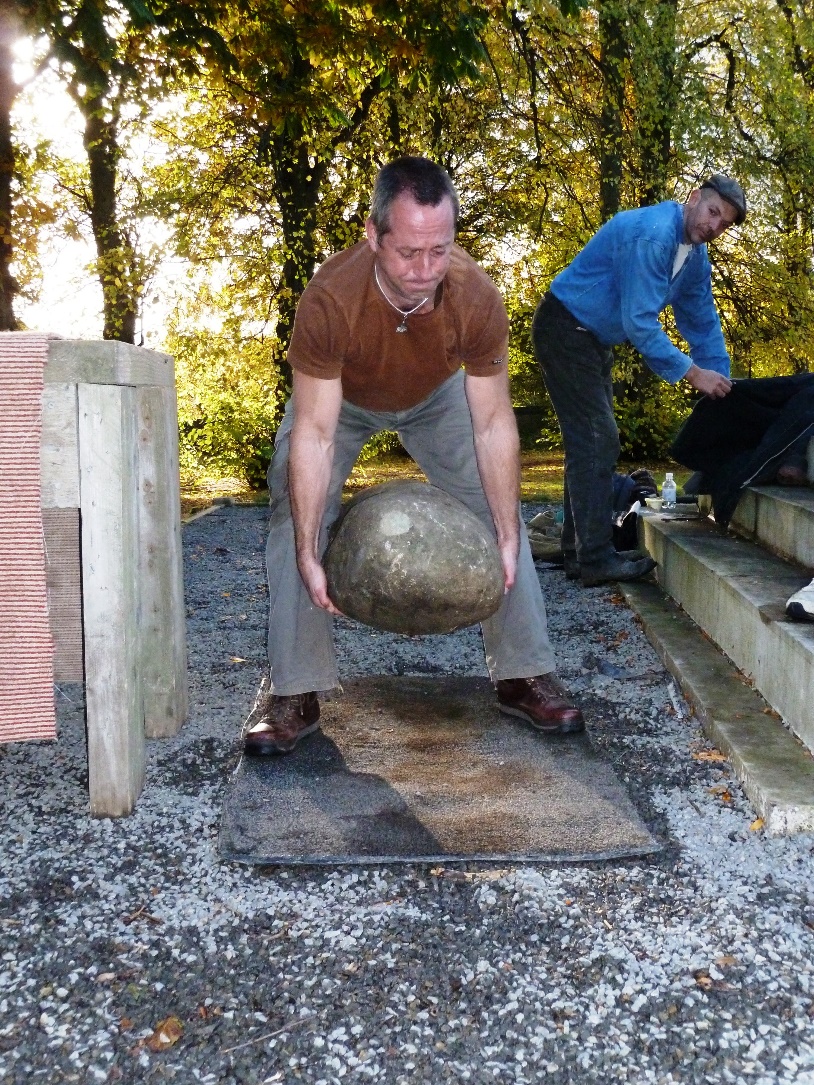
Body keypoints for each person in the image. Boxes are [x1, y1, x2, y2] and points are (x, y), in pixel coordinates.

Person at [242, 156, 583, 755]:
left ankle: (523, 673)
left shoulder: (475, 296)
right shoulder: (329, 300)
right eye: (408, 253)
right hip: (342, 398)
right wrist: (307, 545)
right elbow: (315, 433)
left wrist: (506, 530)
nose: (426, 270)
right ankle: (296, 691)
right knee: (294, 509)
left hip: (435, 395)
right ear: (373, 236)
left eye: (440, 250)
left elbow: (494, 423)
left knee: (498, 510)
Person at [532, 174, 747, 587]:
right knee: (598, 438)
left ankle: (579, 552)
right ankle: (595, 558)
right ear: (694, 197)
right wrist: (693, 373)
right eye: (713, 212)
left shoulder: (695, 258)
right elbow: (640, 323)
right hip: (565, 328)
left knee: (588, 443)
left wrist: (723, 382)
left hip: (593, 339)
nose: (713, 226)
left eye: (724, 224)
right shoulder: (653, 235)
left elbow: (702, 323)